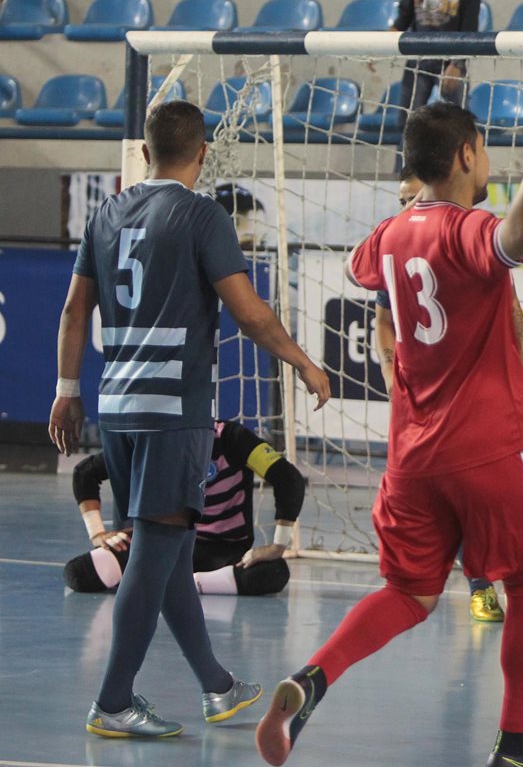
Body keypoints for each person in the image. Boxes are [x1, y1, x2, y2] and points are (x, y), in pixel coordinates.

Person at [255, 76, 523, 767]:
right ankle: (517, 746)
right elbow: (521, 234)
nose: (489, 161)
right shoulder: (466, 230)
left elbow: (360, 266)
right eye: (486, 150)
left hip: (412, 455)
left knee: (408, 591)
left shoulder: (387, 237)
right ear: (466, 155)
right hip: (491, 445)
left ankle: (313, 679)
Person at [48, 99, 331, 738]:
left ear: (145, 152)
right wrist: (303, 363)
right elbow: (249, 313)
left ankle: (217, 686)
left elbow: (73, 311)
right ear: (203, 152)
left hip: (116, 405)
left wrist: (67, 390)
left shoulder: (105, 213)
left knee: (169, 551)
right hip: (174, 408)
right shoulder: (202, 216)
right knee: (156, 551)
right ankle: (114, 700)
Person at [371, 169, 523, 624]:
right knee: (455, 493)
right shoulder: (397, 251)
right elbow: (384, 327)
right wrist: (396, 381)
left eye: (413, 196)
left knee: (517, 479)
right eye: (401, 199)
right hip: (433, 408)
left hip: (482, 402)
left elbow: (510, 307)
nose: (407, 206)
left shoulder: (469, 246)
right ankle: (480, 586)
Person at [63, 419, 305, 597]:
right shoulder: (148, 437)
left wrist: (277, 546)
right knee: (79, 573)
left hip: (223, 551)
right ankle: (185, 583)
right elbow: (85, 473)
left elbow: (287, 477)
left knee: (273, 572)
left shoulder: (231, 438)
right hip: (160, 545)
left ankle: (183, 584)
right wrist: (98, 534)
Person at [392, 0, 482, 159]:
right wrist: (376, 48)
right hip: (418, 60)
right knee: (407, 123)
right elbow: (404, 16)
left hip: (449, 61)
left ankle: (462, 171)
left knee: (460, 124)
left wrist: (457, 64)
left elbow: (469, 24)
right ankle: (405, 175)